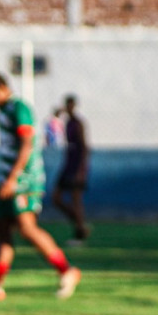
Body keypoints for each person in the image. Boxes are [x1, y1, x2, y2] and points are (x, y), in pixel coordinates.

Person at [0, 73, 82, 301]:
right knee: (2, 231)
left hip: (23, 181)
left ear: (1, 89)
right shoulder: (4, 111)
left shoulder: (19, 108)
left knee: (26, 228)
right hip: (6, 178)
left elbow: (27, 144)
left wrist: (13, 178)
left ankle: (67, 271)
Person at [52, 95, 91, 246]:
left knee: (76, 200)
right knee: (56, 198)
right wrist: (58, 112)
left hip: (76, 165)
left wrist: (81, 170)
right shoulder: (67, 122)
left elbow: (84, 147)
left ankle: (79, 233)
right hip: (67, 164)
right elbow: (54, 117)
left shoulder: (78, 123)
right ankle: (79, 222)